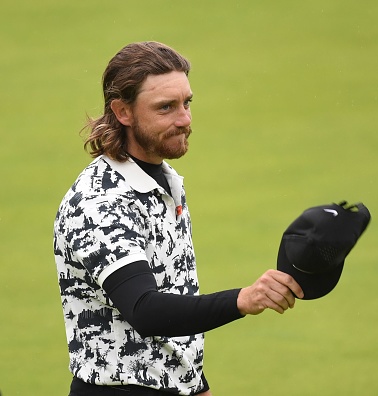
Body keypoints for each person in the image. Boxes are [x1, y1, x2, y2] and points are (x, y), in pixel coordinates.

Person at [53, 41, 304, 396]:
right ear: (123, 112)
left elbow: (174, 292)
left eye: (186, 103)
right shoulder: (98, 202)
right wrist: (244, 299)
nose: (184, 119)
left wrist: (196, 386)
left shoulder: (165, 180)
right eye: (166, 108)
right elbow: (145, 309)